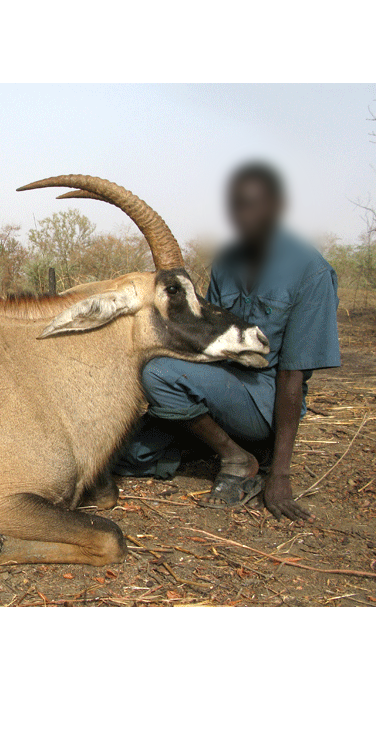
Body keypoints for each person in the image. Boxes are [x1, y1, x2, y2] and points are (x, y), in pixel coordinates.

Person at [112, 162, 341, 522]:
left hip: (268, 400)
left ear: (277, 207)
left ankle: (240, 458)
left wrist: (280, 475)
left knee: (158, 374)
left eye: (253, 205)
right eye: (236, 206)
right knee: (128, 456)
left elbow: (292, 378)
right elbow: (212, 344)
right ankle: (213, 442)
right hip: (225, 385)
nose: (243, 216)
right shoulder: (226, 262)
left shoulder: (310, 272)